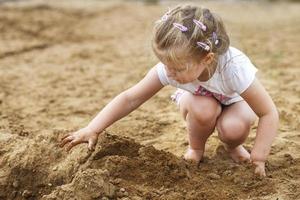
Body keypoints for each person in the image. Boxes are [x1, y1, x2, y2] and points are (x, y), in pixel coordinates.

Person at [60, 4, 279, 177]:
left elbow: (268, 112)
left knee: (232, 128)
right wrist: (93, 128)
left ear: (207, 58)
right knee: (203, 109)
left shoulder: (233, 68)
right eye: (165, 64)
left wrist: (259, 157)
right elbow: (130, 98)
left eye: (177, 68)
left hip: (234, 101)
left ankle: (232, 147)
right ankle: (196, 148)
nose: (169, 72)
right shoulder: (171, 68)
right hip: (198, 101)